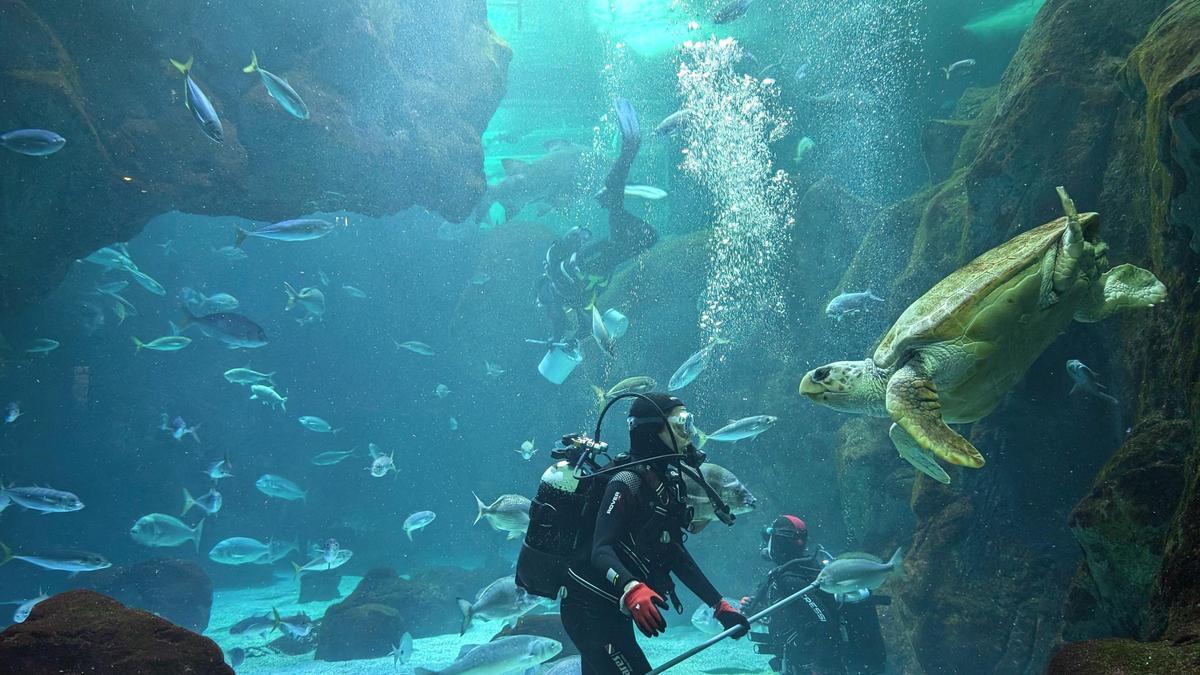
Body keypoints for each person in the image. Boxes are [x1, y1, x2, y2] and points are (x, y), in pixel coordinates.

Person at [560, 392, 750, 675]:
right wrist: (631, 586)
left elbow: (673, 551)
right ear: (651, 430)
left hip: (613, 608)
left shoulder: (668, 483)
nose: (689, 434)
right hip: (587, 607)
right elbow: (601, 550)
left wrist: (718, 603)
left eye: (689, 424)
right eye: (681, 424)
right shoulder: (626, 482)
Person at [536, 97, 658, 345]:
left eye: (546, 299)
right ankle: (614, 196)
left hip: (598, 256)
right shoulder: (576, 301)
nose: (550, 306)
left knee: (623, 228)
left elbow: (557, 250)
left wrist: (575, 235)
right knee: (649, 237)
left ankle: (626, 157)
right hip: (610, 257)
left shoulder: (555, 282)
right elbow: (585, 324)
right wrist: (571, 340)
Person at [742, 515, 887, 675]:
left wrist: (820, 666)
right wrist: (753, 607)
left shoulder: (791, 580)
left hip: (814, 666)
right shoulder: (802, 571)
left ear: (778, 543)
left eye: (771, 538)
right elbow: (785, 610)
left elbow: (824, 622)